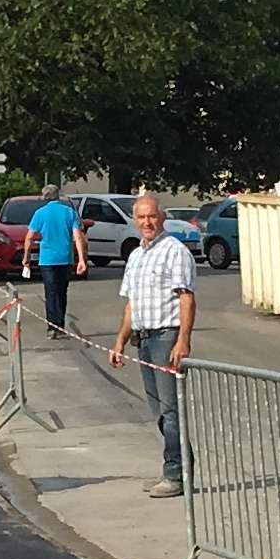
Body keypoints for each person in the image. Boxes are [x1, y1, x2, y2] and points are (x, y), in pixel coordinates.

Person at [99, 189, 195, 497]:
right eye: (141, 217)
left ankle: (176, 475)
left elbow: (186, 298)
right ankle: (181, 469)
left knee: (170, 410)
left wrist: (183, 340)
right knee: (159, 411)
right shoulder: (136, 256)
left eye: (152, 216)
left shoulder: (174, 251)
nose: (147, 222)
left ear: (162, 217)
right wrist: (120, 341)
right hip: (143, 339)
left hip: (166, 337)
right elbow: (131, 304)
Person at [28, 188, 81, 336]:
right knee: (62, 292)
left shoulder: (40, 213)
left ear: (45, 197)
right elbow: (78, 236)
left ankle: (52, 326)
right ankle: (60, 323)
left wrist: (26, 258)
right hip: (65, 258)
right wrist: (82, 259)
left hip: (47, 259)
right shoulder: (69, 212)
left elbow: (29, 237)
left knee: (50, 292)